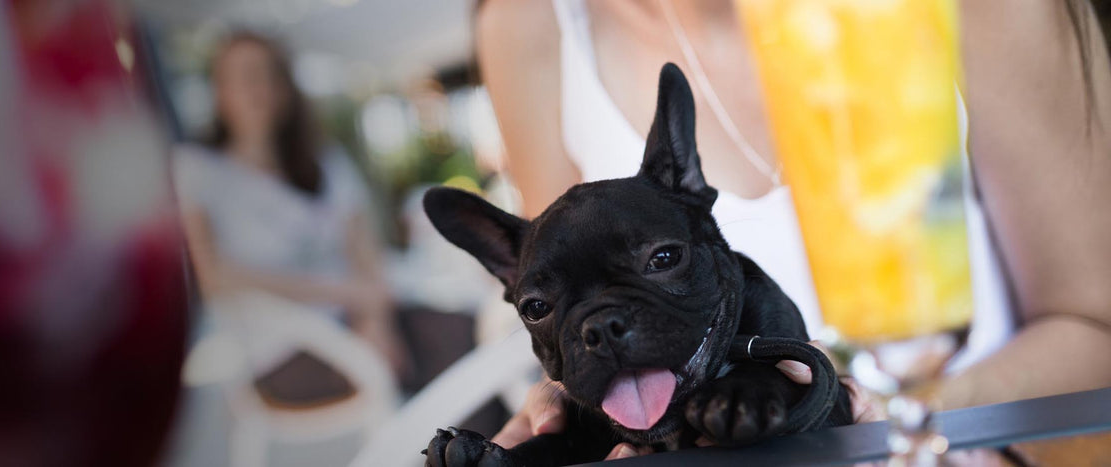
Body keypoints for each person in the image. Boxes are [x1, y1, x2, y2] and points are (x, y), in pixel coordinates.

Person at [475, 0, 1111, 458]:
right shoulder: (528, 25)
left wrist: (886, 426)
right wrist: (567, 417)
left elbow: (1096, 324)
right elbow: (568, 287)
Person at [174, 32, 405, 375]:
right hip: (273, 352)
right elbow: (213, 278)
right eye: (243, 76)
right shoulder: (196, 168)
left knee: (470, 348)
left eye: (268, 74)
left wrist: (375, 322)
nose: (258, 88)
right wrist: (345, 293)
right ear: (219, 92)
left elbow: (364, 252)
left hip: (356, 326)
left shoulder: (326, 162)